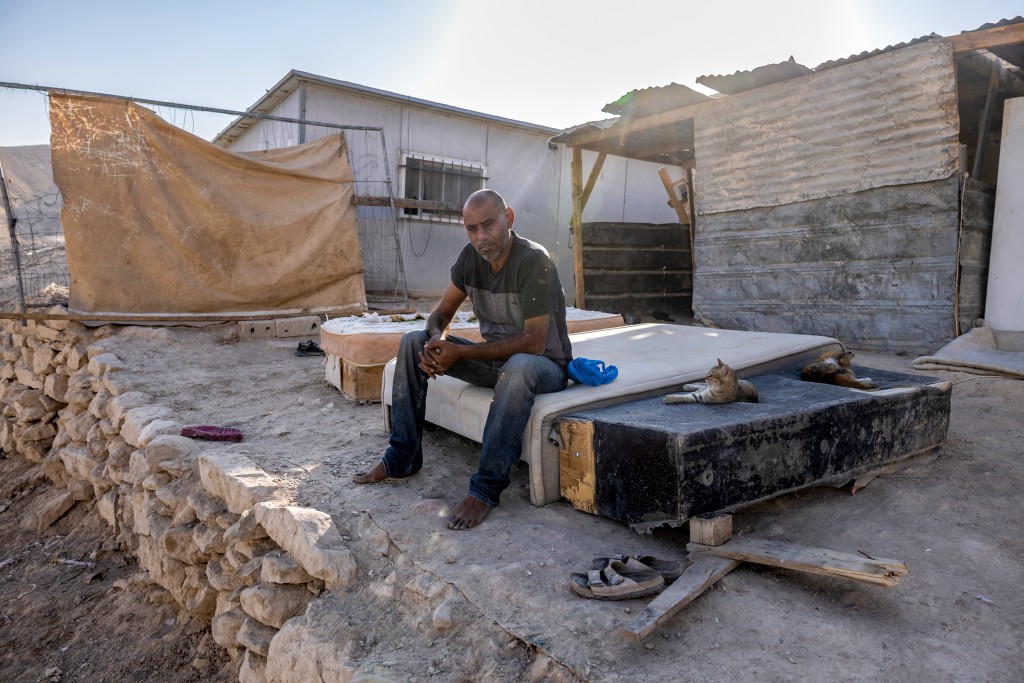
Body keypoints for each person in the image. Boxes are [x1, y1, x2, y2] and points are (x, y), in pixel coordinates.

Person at [353, 189, 573, 530]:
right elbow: (440, 314)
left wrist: (463, 352)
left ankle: (485, 489)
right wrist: (437, 342)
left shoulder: (533, 260)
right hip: (497, 364)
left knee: (518, 366)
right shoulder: (470, 259)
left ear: (509, 218)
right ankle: (401, 457)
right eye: (472, 228)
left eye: (489, 224)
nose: (482, 236)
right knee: (412, 342)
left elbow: (534, 342)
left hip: (543, 366)